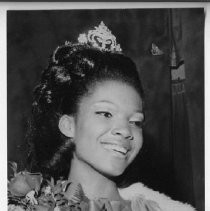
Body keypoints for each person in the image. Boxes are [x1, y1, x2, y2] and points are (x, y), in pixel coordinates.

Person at [8, 22, 195, 211]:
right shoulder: (25, 206)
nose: (125, 131)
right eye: (106, 113)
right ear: (68, 125)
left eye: (135, 122)